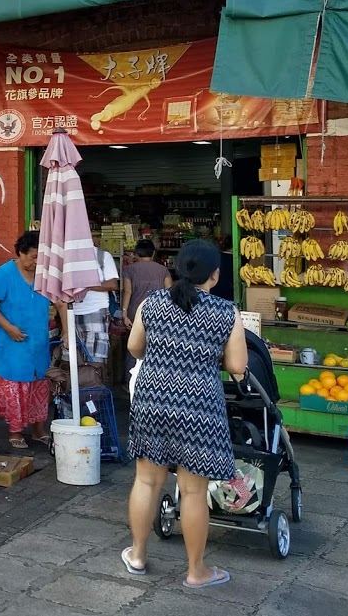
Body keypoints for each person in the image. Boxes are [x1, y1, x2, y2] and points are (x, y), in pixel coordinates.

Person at [122, 239, 248, 590]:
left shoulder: (152, 304)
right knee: (193, 492)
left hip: (153, 400)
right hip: (199, 408)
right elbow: (237, 365)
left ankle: (137, 555)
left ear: (177, 268)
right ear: (215, 274)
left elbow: (135, 347)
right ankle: (196, 572)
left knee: (147, 481)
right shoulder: (226, 312)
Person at [0, 230, 67, 449]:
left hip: (37, 343)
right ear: (20, 253)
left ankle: (38, 430)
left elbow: (60, 303)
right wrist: (8, 327)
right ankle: (15, 432)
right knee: (14, 389)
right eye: (33, 256)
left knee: (38, 387)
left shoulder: (45, 274)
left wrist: (66, 331)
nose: (37, 262)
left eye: (41, 257)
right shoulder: (5, 273)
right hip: (10, 343)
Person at [121, 240, 172, 379]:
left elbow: (127, 292)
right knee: (157, 345)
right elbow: (169, 291)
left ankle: (130, 380)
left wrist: (124, 313)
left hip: (135, 313)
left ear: (136, 253)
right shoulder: (163, 270)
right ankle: (156, 377)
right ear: (153, 253)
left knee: (134, 346)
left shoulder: (129, 270)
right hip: (159, 313)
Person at [70, 239, 119, 364]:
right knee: (74, 360)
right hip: (71, 312)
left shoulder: (102, 256)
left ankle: (95, 382)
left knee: (96, 359)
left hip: (96, 312)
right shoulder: (68, 258)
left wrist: (85, 286)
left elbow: (113, 284)